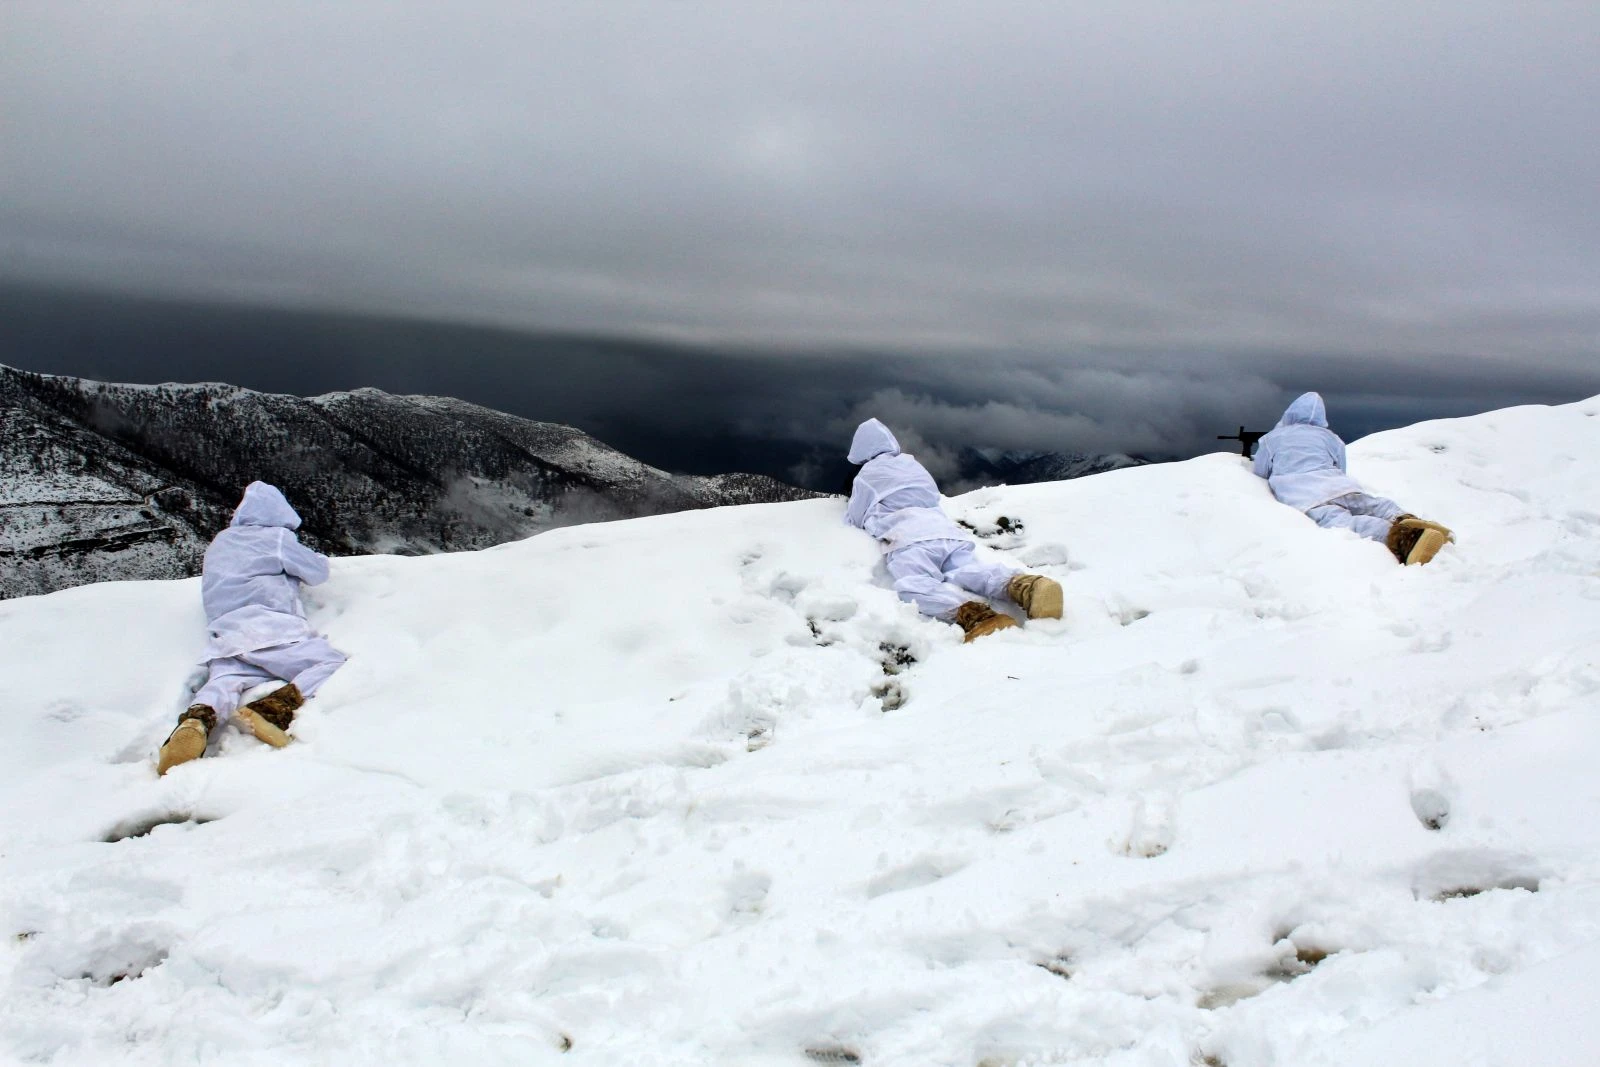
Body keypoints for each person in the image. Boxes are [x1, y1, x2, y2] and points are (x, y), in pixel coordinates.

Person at [156, 482, 347, 775]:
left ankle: (197, 720)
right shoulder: (277, 538)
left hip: (226, 635)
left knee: (225, 681)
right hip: (269, 629)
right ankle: (272, 710)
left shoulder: (220, 542)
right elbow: (317, 573)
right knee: (330, 662)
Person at [844, 418, 1063, 641]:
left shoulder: (867, 476)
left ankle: (976, 616)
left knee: (915, 586)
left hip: (908, 538)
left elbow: (855, 517)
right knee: (966, 570)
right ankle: (1025, 587)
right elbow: (932, 497)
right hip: (944, 532)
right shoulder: (912, 465)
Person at [1252, 392, 1452, 565]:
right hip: (1340, 485)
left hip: (1307, 495)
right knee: (1372, 505)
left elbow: (1261, 471)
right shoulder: (1330, 437)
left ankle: (1406, 539)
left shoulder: (1273, 438)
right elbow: (1341, 467)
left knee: (1344, 522)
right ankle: (1407, 519)